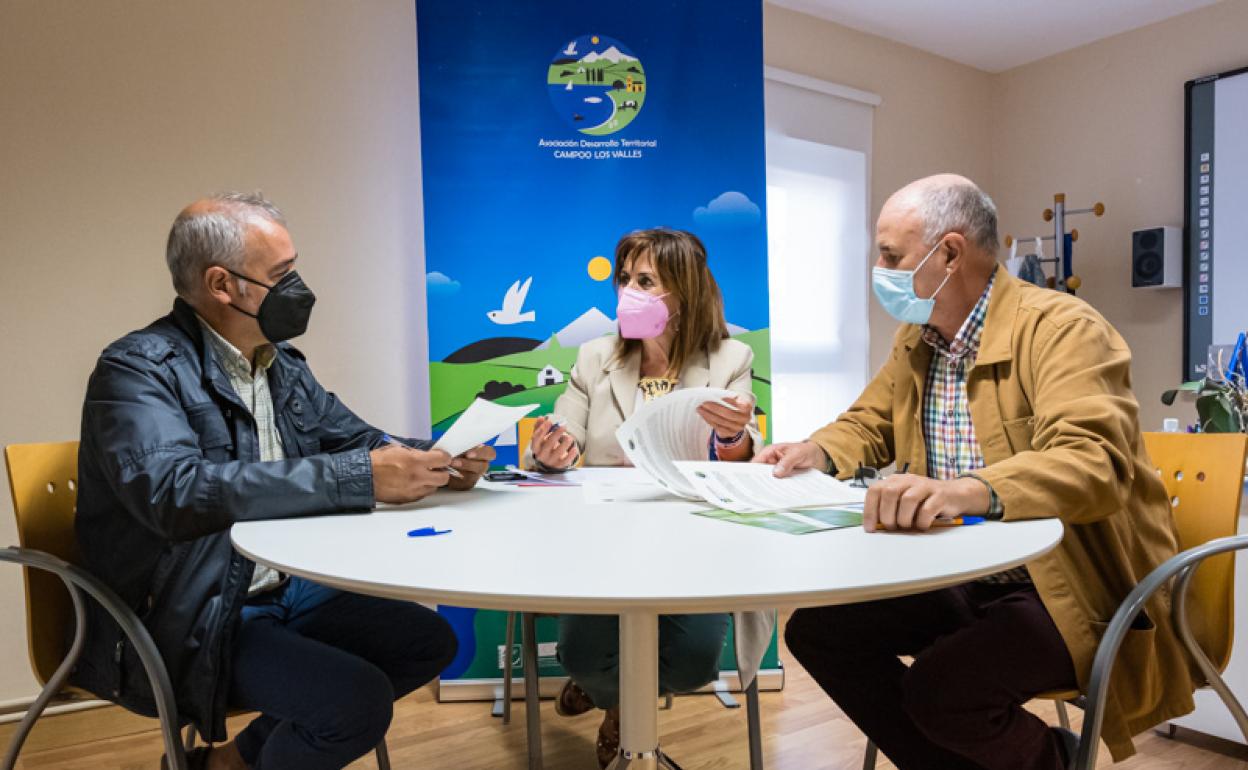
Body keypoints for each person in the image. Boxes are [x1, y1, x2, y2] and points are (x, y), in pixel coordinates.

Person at [754, 175, 1195, 770]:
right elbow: (869, 422)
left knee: (943, 691)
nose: (878, 268)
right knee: (820, 634)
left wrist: (967, 490)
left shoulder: (1064, 330)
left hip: (1068, 585)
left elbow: (1094, 464)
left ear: (950, 253)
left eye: (890, 254)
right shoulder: (919, 339)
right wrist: (816, 451)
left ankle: (1053, 763)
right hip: (965, 572)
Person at [74, 192, 494, 770]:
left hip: (278, 586)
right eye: (283, 274)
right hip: (189, 611)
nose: (299, 288)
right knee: (354, 704)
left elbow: (360, 443)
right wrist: (361, 478)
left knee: (430, 643)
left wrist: (445, 459)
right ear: (222, 285)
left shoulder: (281, 364)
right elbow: (173, 493)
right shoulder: (137, 369)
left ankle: (235, 761)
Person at [522, 228, 768, 768]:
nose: (627, 291)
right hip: (604, 539)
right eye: (625, 278)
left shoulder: (730, 356)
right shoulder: (593, 357)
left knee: (695, 665)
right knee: (584, 655)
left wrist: (732, 437)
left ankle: (606, 696)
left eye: (646, 281)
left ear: (685, 292)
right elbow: (567, 432)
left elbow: (745, 458)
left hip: (693, 538)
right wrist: (552, 450)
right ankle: (618, 707)